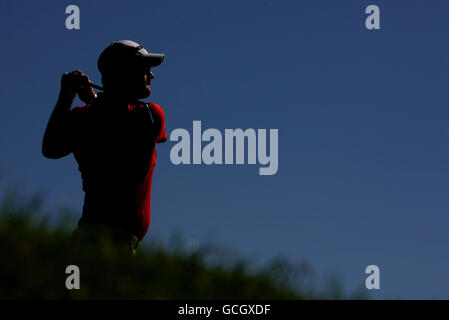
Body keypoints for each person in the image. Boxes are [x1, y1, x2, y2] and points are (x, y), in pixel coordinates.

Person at [42, 40, 167, 255]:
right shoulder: (151, 114)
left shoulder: (85, 117)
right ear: (125, 73)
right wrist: (93, 100)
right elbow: (114, 122)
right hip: (114, 247)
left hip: (87, 238)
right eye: (145, 69)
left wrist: (67, 97)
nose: (151, 75)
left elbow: (51, 147)